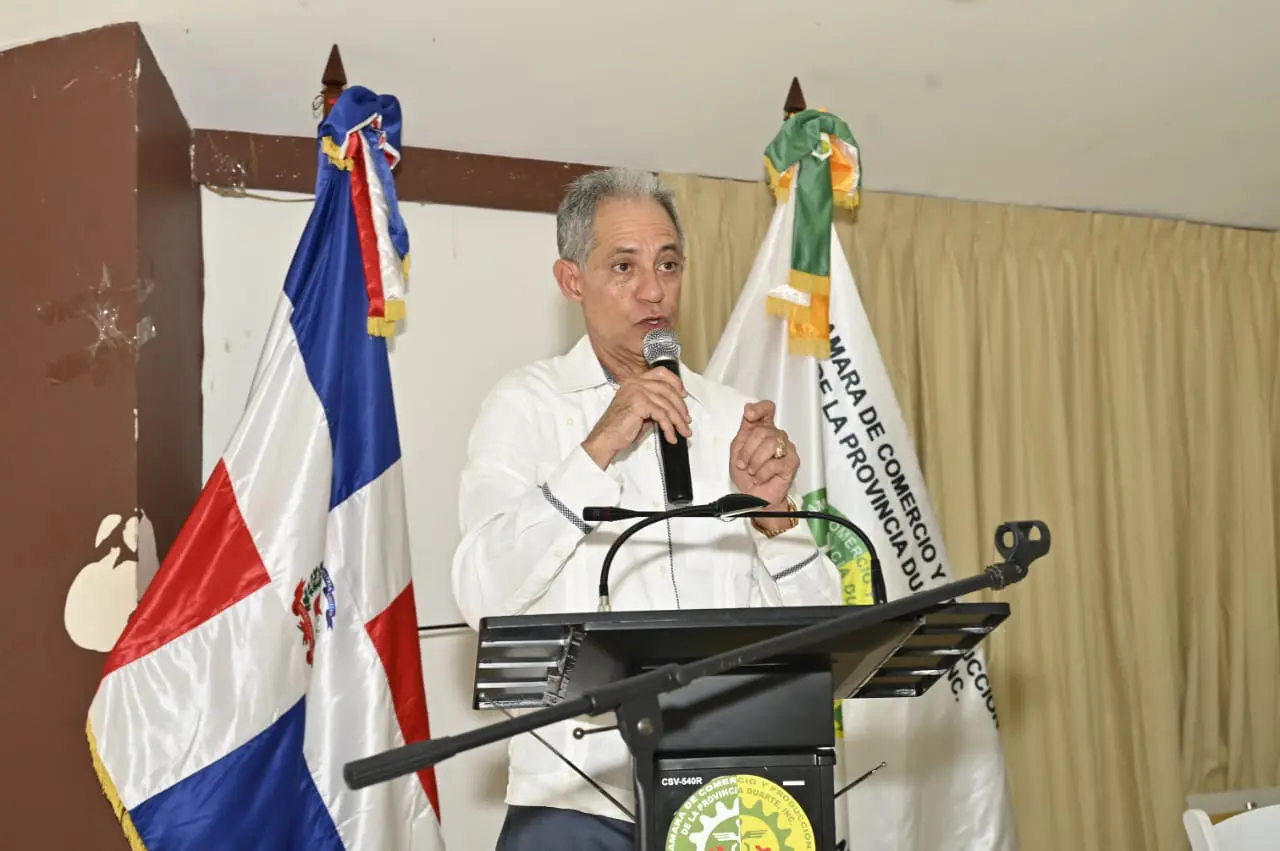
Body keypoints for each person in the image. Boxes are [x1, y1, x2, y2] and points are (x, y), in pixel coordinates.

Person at [450, 168, 842, 851]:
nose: (653, 289)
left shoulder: (731, 413)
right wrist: (597, 446)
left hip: (730, 793)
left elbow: (827, 630)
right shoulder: (527, 406)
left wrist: (775, 519)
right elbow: (480, 590)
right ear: (572, 281)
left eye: (668, 264)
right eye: (623, 266)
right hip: (574, 797)